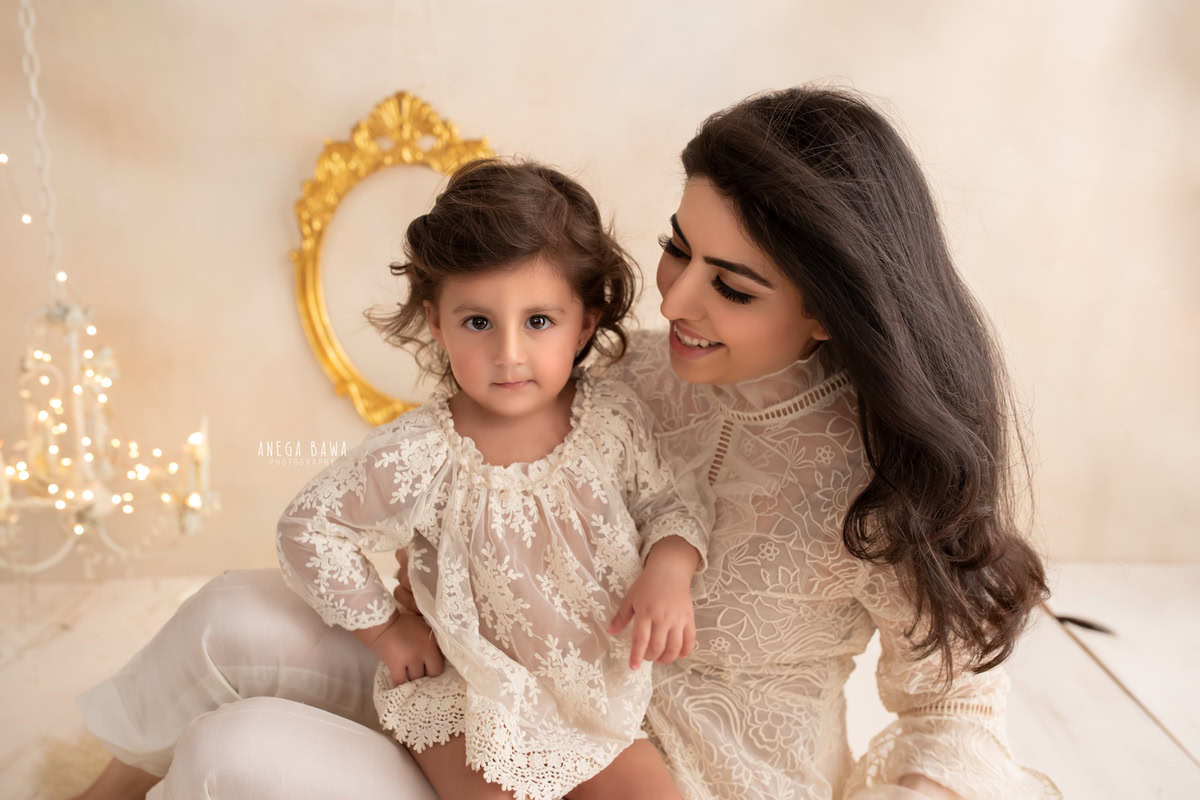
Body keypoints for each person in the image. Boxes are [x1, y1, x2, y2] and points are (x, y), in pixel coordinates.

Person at [73, 86, 1060, 800]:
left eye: (733, 285)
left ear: (828, 313)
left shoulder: (882, 480)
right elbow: (492, 471)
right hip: (503, 679)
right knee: (228, 615)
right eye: (679, 247)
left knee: (236, 755)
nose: (672, 297)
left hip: (673, 777)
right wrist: (420, 577)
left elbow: (957, 710)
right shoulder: (624, 369)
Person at [276, 158, 710, 800]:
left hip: (594, 700)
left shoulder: (610, 420)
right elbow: (308, 527)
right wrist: (386, 629)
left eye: (539, 321)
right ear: (436, 323)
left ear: (585, 322)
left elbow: (670, 500)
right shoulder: (423, 450)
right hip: (468, 694)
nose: (509, 353)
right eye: (478, 322)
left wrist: (669, 570)